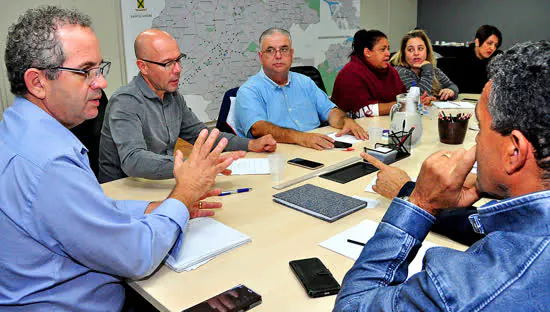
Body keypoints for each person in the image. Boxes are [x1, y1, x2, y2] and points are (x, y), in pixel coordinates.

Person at [0, 6, 242, 312]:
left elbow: (83, 209)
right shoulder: (49, 162)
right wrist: (183, 196)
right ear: (37, 82)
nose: (101, 82)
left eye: (99, 69)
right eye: (85, 72)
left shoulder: (20, 130)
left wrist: (151, 208)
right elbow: (136, 257)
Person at [330, 40, 550, 312]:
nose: (473, 145)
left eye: (480, 128)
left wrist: (420, 202)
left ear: (513, 151)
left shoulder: (466, 297)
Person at [98, 29, 277, 183]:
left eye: (178, 60)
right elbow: (133, 160)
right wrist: (191, 166)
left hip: (159, 183)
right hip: (124, 191)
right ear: (143, 67)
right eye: (168, 63)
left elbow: (202, 135)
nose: (178, 69)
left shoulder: (172, 96)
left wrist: (252, 144)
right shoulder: (125, 101)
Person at [234, 28, 368, 150]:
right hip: (280, 154)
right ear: (261, 57)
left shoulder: (305, 82)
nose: (278, 55)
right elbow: (259, 128)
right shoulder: (249, 90)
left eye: (284, 49)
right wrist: (300, 138)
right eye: (270, 50)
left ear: (291, 54)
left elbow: (330, 111)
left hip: (317, 147)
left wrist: (346, 121)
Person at [331, 29, 434, 117]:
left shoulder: (389, 70)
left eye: (388, 49)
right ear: (367, 52)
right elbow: (364, 110)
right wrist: (406, 104)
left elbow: (403, 95)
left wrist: (416, 100)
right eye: (382, 49)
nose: (388, 53)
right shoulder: (351, 73)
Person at [391, 29, 459, 101]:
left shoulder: (433, 69)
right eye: (410, 50)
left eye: (420, 48)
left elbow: (452, 86)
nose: (416, 53)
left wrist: (451, 91)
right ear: (403, 53)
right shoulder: (400, 72)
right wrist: (427, 70)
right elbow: (419, 99)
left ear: (427, 51)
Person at [453, 24, 503, 93]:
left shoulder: (497, 58)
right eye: (489, 43)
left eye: (495, 45)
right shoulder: (462, 57)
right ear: (477, 41)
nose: (492, 48)